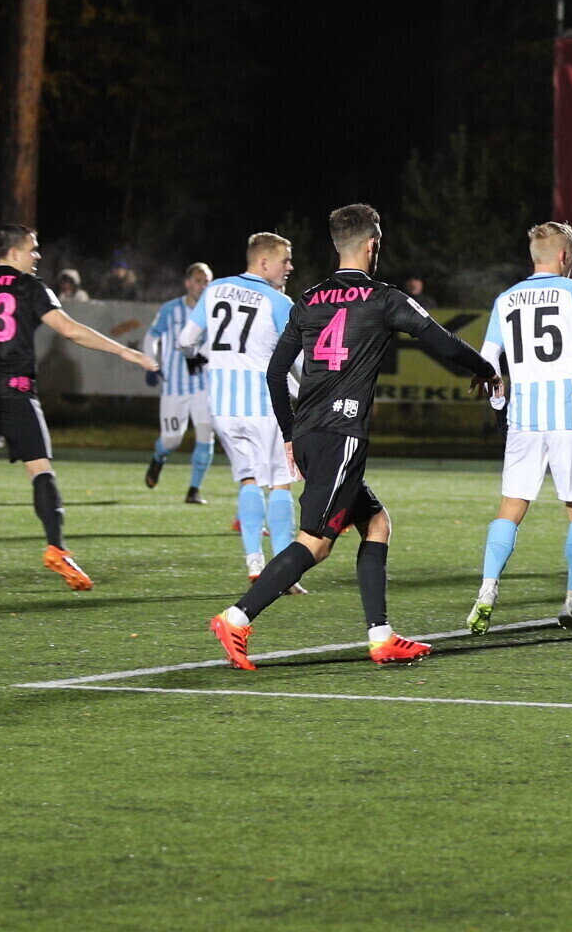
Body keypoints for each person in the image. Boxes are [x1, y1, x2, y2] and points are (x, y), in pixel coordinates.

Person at [209, 204, 496, 671]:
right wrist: (486, 370)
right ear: (372, 245)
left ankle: (381, 637)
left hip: (310, 432)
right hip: (340, 436)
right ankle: (236, 618)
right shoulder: (383, 298)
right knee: (316, 543)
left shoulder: (308, 299)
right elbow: (441, 340)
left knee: (376, 522)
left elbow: (276, 373)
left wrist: (290, 434)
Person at [0, 226, 157, 588]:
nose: (38, 255)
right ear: (14, 253)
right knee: (40, 469)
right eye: (33, 249)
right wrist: (125, 351)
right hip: (14, 390)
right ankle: (57, 548)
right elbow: (70, 330)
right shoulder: (30, 286)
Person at [464, 222, 572, 638]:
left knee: (511, 505)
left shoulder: (506, 299)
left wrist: (498, 402)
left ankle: (487, 589)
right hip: (569, 414)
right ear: (564, 255)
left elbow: (488, 357)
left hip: (525, 416)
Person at [186, 233, 299, 579]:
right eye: (285, 260)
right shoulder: (279, 302)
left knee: (249, 480)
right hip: (265, 406)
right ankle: (283, 572)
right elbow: (300, 364)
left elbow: (186, 341)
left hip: (223, 407)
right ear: (264, 263)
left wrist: (211, 358)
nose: (290, 267)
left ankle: (254, 560)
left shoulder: (215, 289)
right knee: (280, 482)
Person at [143, 263, 215, 503]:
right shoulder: (170, 309)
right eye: (198, 280)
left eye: (206, 281)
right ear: (187, 283)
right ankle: (158, 457)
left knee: (206, 433)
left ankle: (194, 490)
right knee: (172, 441)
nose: (202, 286)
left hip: (203, 386)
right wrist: (151, 363)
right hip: (174, 387)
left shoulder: (214, 310)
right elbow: (151, 337)